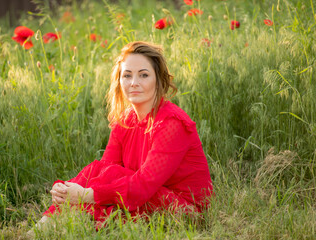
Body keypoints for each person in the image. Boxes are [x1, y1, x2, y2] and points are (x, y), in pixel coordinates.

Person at [34, 41, 213, 230]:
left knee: (106, 182)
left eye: (143, 75)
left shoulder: (171, 123)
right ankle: (40, 230)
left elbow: (144, 184)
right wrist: (68, 190)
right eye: (127, 75)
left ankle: (47, 227)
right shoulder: (125, 119)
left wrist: (85, 194)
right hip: (144, 196)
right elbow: (103, 170)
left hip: (184, 211)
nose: (134, 83)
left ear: (158, 79)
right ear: (119, 81)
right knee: (100, 172)